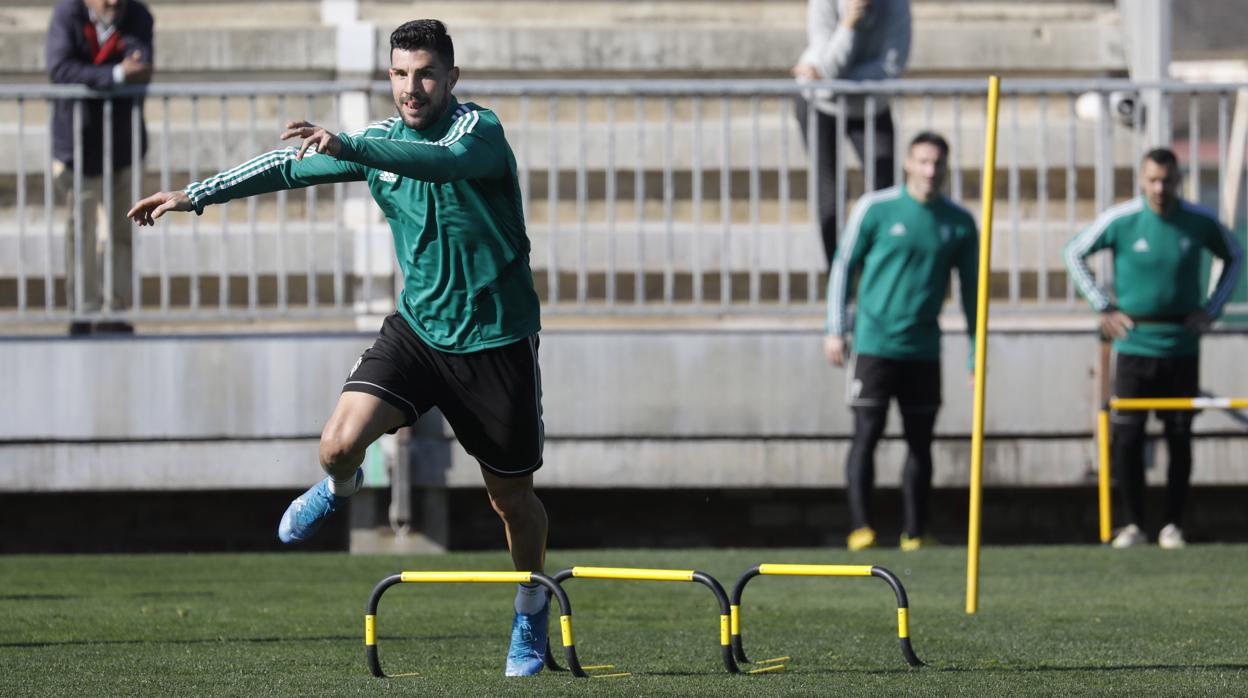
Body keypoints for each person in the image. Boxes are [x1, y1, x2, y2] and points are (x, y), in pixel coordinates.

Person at [128, 20, 553, 676]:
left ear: (452, 77)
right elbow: (286, 168)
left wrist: (353, 145)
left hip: (495, 342)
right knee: (335, 443)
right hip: (419, 332)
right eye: (399, 74)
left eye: (425, 74)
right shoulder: (373, 142)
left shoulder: (479, 131)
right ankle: (340, 483)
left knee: (511, 503)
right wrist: (194, 195)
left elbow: (437, 162)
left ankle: (529, 611)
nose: (411, 88)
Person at [1064, 147, 1242, 550]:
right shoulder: (1122, 219)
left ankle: (1173, 525)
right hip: (1135, 345)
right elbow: (1073, 252)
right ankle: (1134, 524)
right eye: (1153, 180)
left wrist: (1211, 309)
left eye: (1167, 180)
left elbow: (1234, 255)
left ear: (1179, 180)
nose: (1160, 188)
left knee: (1180, 437)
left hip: (1180, 344)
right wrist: (1103, 306)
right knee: (1128, 438)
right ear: (1142, 181)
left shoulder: (1198, 221)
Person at [825, 132, 977, 552]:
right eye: (923, 161)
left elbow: (972, 293)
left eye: (937, 163)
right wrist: (834, 329)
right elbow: (843, 266)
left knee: (920, 440)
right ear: (908, 164)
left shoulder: (959, 222)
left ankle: (915, 532)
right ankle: (862, 528)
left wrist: (974, 353)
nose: (930, 171)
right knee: (867, 432)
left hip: (923, 349)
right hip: (874, 344)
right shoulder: (876, 208)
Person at [47, 0, 153, 335]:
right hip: (76, 147)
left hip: (123, 144)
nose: (112, 1)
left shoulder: (137, 14)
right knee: (82, 231)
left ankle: (115, 311)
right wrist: (116, 73)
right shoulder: (68, 14)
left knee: (121, 231)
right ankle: (83, 310)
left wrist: (94, 76)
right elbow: (60, 69)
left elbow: (143, 68)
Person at [793, 0, 911, 267]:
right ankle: (838, 278)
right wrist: (848, 26)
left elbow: (890, 68)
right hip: (818, 103)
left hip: (870, 105)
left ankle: (875, 273)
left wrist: (828, 78)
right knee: (830, 193)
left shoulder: (896, 5)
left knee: (885, 191)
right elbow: (828, 65)